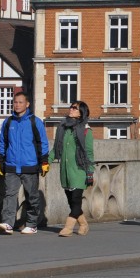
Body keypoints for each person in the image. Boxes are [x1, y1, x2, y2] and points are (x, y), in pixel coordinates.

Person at [0, 91, 50, 234]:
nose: (17, 105)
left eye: (20, 102)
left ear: (27, 104)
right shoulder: (8, 122)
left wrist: (44, 161)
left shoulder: (35, 122)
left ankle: (32, 224)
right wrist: (0, 160)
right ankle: (8, 223)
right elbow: (2, 142)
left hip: (30, 165)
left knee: (32, 196)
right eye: (15, 102)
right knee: (9, 195)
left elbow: (42, 142)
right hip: (11, 165)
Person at [52, 100, 94, 237]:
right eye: (71, 107)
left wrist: (90, 171)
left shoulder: (86, 131)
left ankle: (68, 228)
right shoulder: (63, 128)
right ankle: (83, 224)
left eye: (75, 108)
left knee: (76, 200)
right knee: (71, 202)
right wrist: (46, 161)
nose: (71, 109)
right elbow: (56, 148)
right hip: (65, 171)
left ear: (81, 112)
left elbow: (89, 153)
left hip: (79, 170)